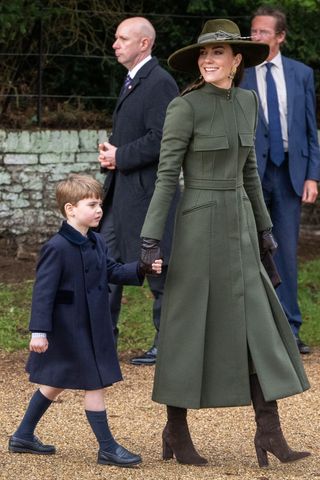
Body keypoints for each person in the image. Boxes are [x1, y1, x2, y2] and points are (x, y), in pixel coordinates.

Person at [139, 19, 311, 468]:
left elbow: (250, 171)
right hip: (197, 228)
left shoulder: (249, 102)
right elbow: (165, 177)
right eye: (203, 54)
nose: (209, 60)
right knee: (186, 327)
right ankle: (175, 430)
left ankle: (269, 432)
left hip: (240, 227)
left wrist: (266, 229)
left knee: (259, 325)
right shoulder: (185, 107)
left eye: (218, 54)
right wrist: (151, 238)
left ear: (237, 61)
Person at [8, 174, 162, 468]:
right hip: (69, 329)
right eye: (92, 204)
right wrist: (38, 331)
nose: (99, 209)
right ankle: (107, 448)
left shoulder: (97, 241)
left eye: (100, 203)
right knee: (94, 383)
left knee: (55, 382)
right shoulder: (57, 247)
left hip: (93, 326)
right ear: (70, 209)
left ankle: (23, 435)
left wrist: (141, 268)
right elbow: (43, 292)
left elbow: (113, 271)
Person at [98, 16, 179, 365]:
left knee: (157, 267)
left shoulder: (159, 82)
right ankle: (102, 341)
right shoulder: (132, 79)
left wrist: (121, 155)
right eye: (116, 38)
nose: (115, 44)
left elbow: (164, 138)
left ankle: (168, 342)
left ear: (144, 43)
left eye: (122, 38)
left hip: (148, 195)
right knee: (105, 263)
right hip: (121, 192)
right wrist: (112, 154)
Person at [241, 5, 320, 354]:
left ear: (280, 36)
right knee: (249, 250)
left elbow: (310, 129)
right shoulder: (239, 72)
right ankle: (254, 331)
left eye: (262, 32)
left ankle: (290, 328)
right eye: (253, 31)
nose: (255, 37)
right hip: (250, 174)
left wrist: (313, 176)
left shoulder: (301, 73)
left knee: (285, 252)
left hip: (290, 173)